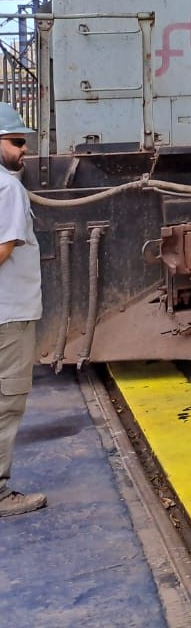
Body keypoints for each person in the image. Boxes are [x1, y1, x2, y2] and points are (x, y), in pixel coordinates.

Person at [0, 103, 45, 519]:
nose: (24, 149)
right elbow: (3, 250)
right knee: (7, 401)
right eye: (16, 141)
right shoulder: (8, 188)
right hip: (9, 314)